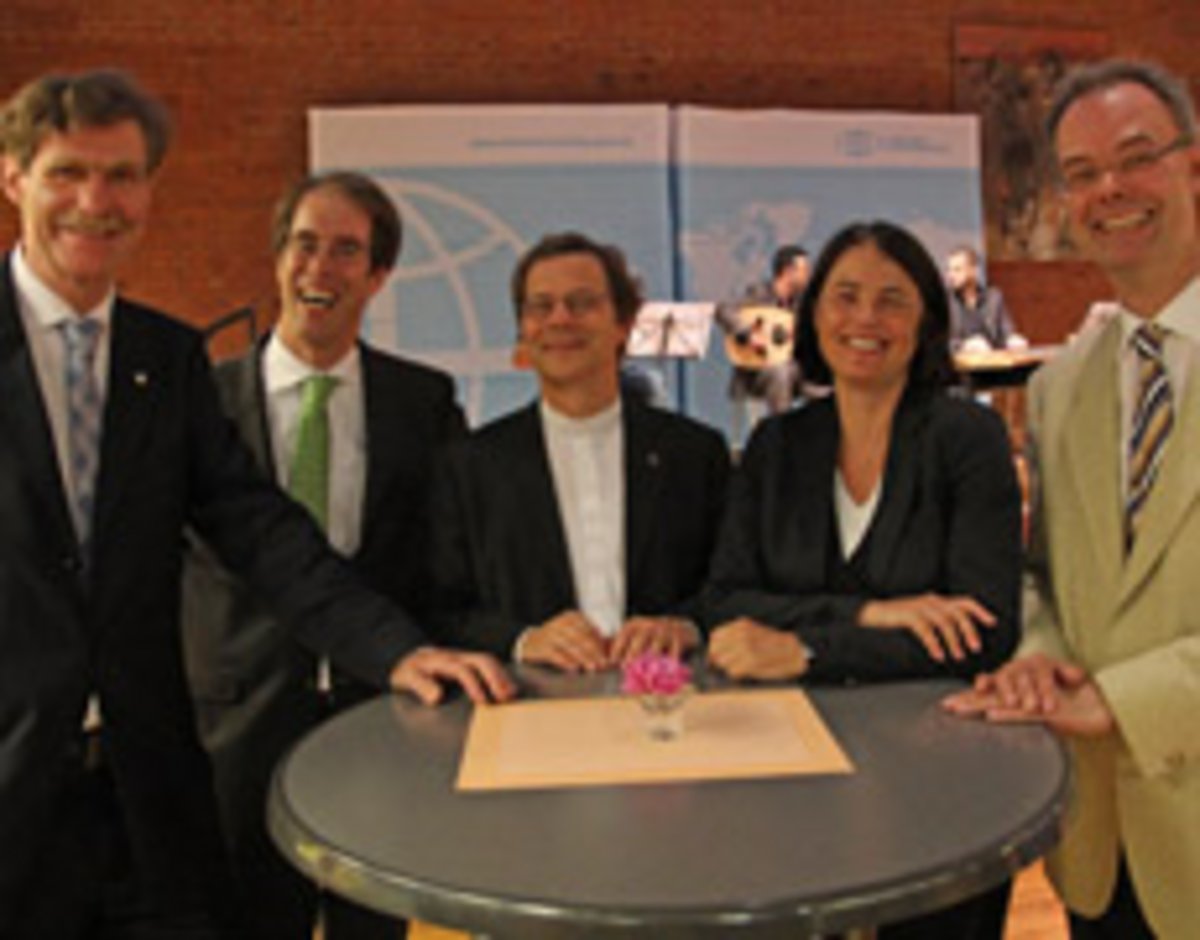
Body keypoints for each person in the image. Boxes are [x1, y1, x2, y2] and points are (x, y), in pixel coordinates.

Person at [0, 69, 512, 939]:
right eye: (67, 173)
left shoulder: (166, 360)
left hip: (149, 794)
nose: (96, 201)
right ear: (15, 178)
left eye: (121, 175)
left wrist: (395, 650)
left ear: (149, 190)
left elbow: (262, 531)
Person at [704, 220, 1022, 938]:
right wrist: (873, 616)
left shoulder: (966, 439)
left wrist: (806, 647)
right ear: (814, 315)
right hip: (788, 779)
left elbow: (983, 630)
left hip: (941, 779)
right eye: (845, 297)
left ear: (927, 322)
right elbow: (724, 602)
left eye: (892, 300)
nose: (865, 319)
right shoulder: (777, 445)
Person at [944, 59, 1200, 940]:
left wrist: (1124, 699)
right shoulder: (1059, 386)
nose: (1110, 191)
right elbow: (1045, 575)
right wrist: (1039, 659)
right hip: (1101, 849)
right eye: (1083, 174)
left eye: (1136, 158)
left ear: (1193, 166)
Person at [181, 172, 466, 939]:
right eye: (304, 245)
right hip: (234, 723)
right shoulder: (198, 402)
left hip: (380, 721)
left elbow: (447, 562)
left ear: (377, 275)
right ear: (277, 258)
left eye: (346, 251)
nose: (320, 268)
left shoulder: (424, 403)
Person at [432, 231, 729, 671]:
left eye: (582, 303)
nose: (560, 319)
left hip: (672, 695)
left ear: (623, 324)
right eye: (541, 306)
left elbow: (733, 587)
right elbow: (443, 610)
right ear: (523, 330)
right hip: (529, 697)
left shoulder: (696, 454)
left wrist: (685, 626)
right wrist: (523, 640)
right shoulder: (470, 465)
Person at [716, 244, 810, 418]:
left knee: (824, 381)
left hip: (794, 369)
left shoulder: (802, 303)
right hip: (755, 371)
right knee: (781, 372)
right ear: (788, 271)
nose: (808, 275)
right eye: (804, 270)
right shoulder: (758, 293)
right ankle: (781, 430)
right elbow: (723, 310)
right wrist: (748, 334)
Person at [945, 244, 1022, 351]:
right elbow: (939, 341)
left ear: (973, 270)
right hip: (960, 360)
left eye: (957, 270)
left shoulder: (993, 298)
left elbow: (1006, 332)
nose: (950, 275)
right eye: (949, 270)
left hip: (991, 358)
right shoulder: (944, 301)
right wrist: (964, 345)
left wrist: (1012, 339)